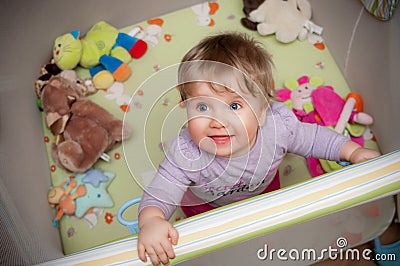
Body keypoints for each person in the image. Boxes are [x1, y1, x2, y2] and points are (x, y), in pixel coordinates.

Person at [136, 32, 380, 265]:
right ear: (185, 106)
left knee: (273, 236)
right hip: (207, 208)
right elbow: (162, 190)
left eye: (234, 106)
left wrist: (352, 152)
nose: (218, 121)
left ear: (263, 110)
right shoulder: (187, 153)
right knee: (217, 249)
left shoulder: (277, 128)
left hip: (264, 193)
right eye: (202, 107)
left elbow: (316, 138)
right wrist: (152, 221)